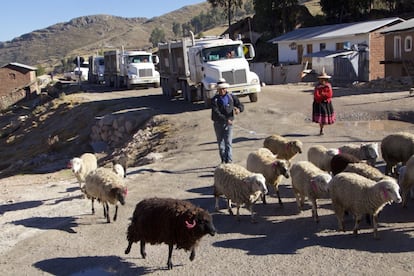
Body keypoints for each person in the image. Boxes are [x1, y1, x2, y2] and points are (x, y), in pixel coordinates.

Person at [211, 78, 244, 163]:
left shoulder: (231, 97)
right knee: (221, 144)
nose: (222, 90)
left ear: (226, 89)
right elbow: (216, 112)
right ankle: (223, 160)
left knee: (228, 143)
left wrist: (239, 109)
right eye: (220, 89)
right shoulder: (215, 99)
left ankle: (229, 161)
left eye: (223, 88)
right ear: (217, 89)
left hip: (229, 124)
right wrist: (226, 119)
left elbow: (240, 104)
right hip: (218, 124)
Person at [312, 71, 336, 135]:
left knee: (324, 118)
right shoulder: (317, 86)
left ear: (326, 79)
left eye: (324, 79)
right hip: (319, 104)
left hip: (326, 104)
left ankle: (322, 129)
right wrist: (323, 95)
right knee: (321, 119)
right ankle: (321, 129)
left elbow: (329, 95)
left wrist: (322, 94)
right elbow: (316, 96)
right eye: (321, 79)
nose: (322, 80)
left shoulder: (328, 86)